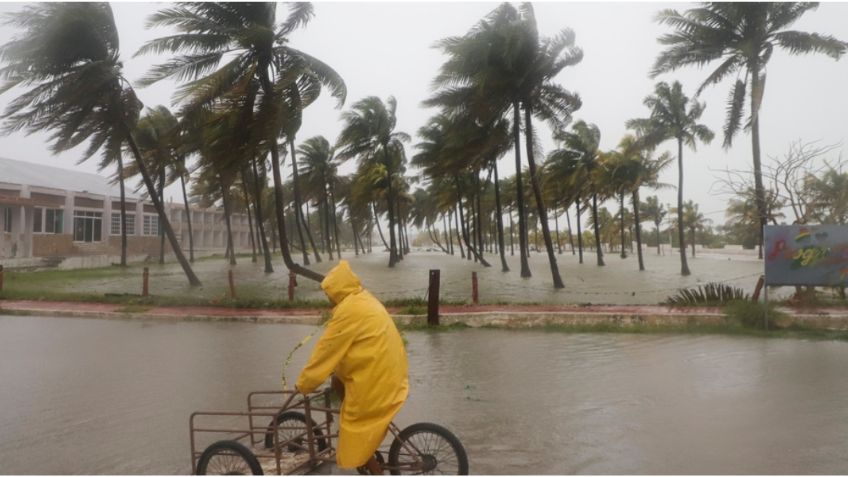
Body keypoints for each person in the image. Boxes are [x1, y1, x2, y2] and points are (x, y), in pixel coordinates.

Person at [296, 260, 409, 474]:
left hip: (377, 379)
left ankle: (373, 468)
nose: (328, 298)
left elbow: (325, 351)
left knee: (353, 432)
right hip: (391, 371)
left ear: (337, 290)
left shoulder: (347, 311)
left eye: (329, 293)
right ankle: (364, 440)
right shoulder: (364, 298)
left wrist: (304, 384)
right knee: (337, 379)